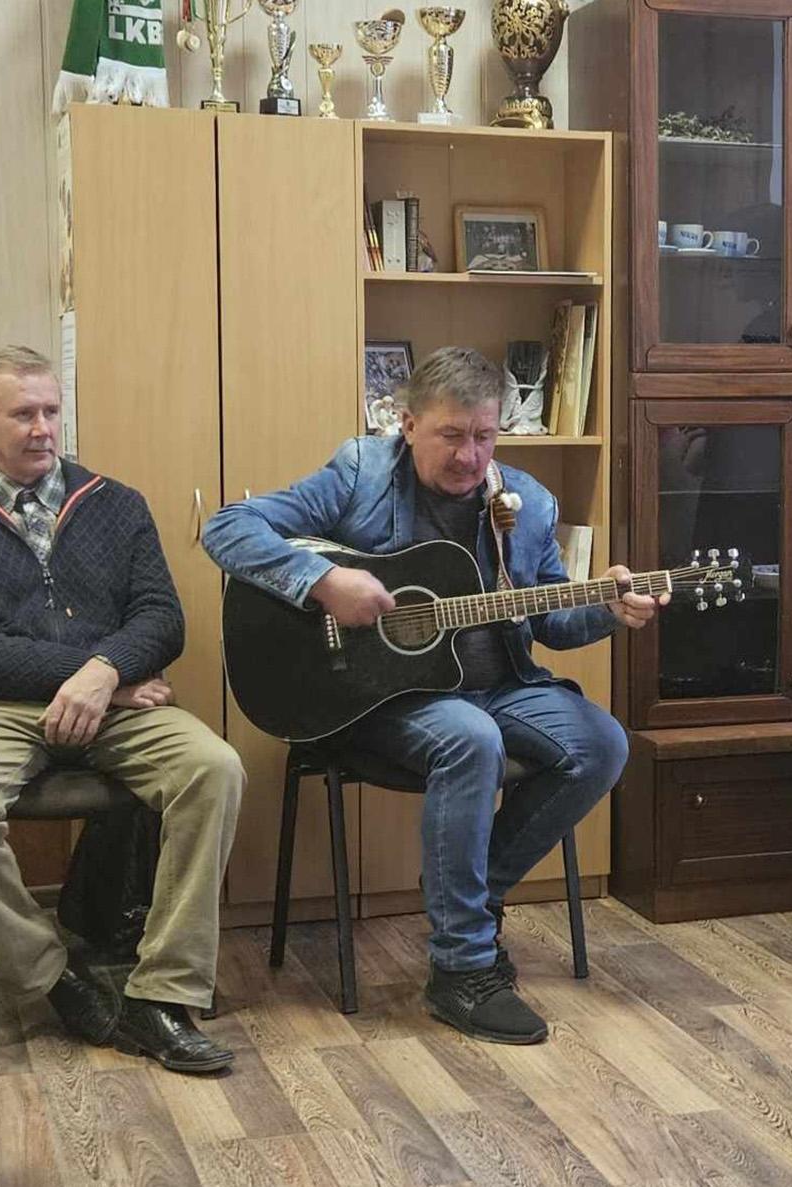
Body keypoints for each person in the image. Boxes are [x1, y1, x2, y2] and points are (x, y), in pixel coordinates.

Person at [202, 346, 661, 1045]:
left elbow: (549, 624)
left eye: (484, 436)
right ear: (407, 423)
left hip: (496, 686)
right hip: (372, 699)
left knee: (602, 742)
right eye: (451, 435)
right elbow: (226, 527)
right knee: (469, 738)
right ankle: (462, 967)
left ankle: (469, 897)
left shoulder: (527, 503)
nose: (469, 457)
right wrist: (323, 582)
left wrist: (608, 608)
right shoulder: (360, 472)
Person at [0, 346, 245, 1074]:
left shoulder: (116, 503)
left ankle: (162, 991)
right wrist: (92, 673)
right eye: (21, 413)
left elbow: (162, 618)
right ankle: (50, 975)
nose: (42, 428)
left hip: (117, 700)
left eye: (51, 411)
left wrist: (103, 673)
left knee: (214, 767)